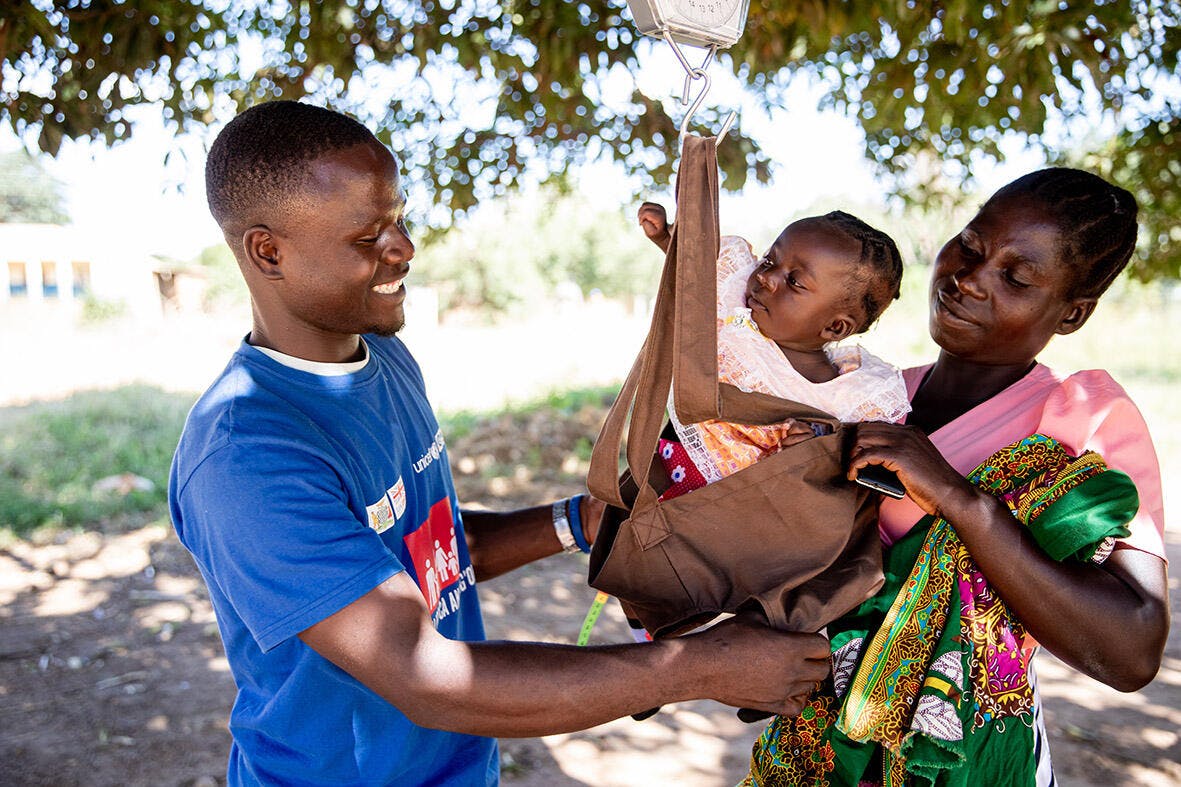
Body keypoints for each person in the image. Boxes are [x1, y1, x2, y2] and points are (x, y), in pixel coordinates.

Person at [168, 100, 832, 787]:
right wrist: (702, 665)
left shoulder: (383, 362)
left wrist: (580, 521)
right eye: (369, 236)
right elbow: (423, 674)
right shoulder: (247, 454)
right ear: (268, 251)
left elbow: (431, 558)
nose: (403, 247)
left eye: (398, 218)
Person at [742, 168, 1170, 786]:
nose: (968, 279)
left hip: (966, 758)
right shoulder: (866, 397)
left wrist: (961, 501)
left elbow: (1132, 651)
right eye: (970, 245)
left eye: (1016, 278)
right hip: (816, 748)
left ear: (1072, 314)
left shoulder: (1081, 423)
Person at [637, 203, 910, 500]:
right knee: (626, 506)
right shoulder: (735, 312)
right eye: (769, 260)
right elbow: (701, 271)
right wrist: (667, 238)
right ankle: (592, 519)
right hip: (672, 462)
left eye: (794, 281)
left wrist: (814, 447)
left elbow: (848, 465)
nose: (766, 277)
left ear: (835, 327)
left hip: (737, 513)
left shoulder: (845, 398)